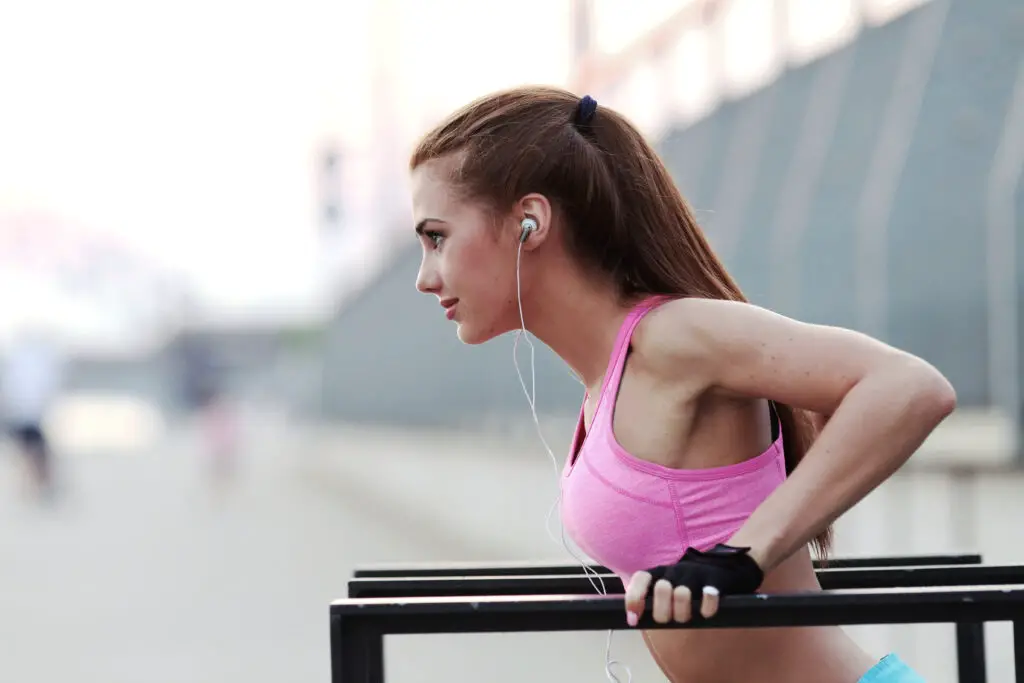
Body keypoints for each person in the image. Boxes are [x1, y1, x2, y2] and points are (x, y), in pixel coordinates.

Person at [408, 85, 955, 682]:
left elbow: (910, 386)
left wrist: (745, 554)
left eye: (437, 237)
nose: (423, 277)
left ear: (529, 223)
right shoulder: (609, 380)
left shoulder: (671, 337)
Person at [1, 324, 64, 500]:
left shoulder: (23, 366)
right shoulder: (26, 366)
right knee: (33, 453)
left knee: (32, 453)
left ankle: (37, 487)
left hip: (26, 414)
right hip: (26, 415)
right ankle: (37, 487)